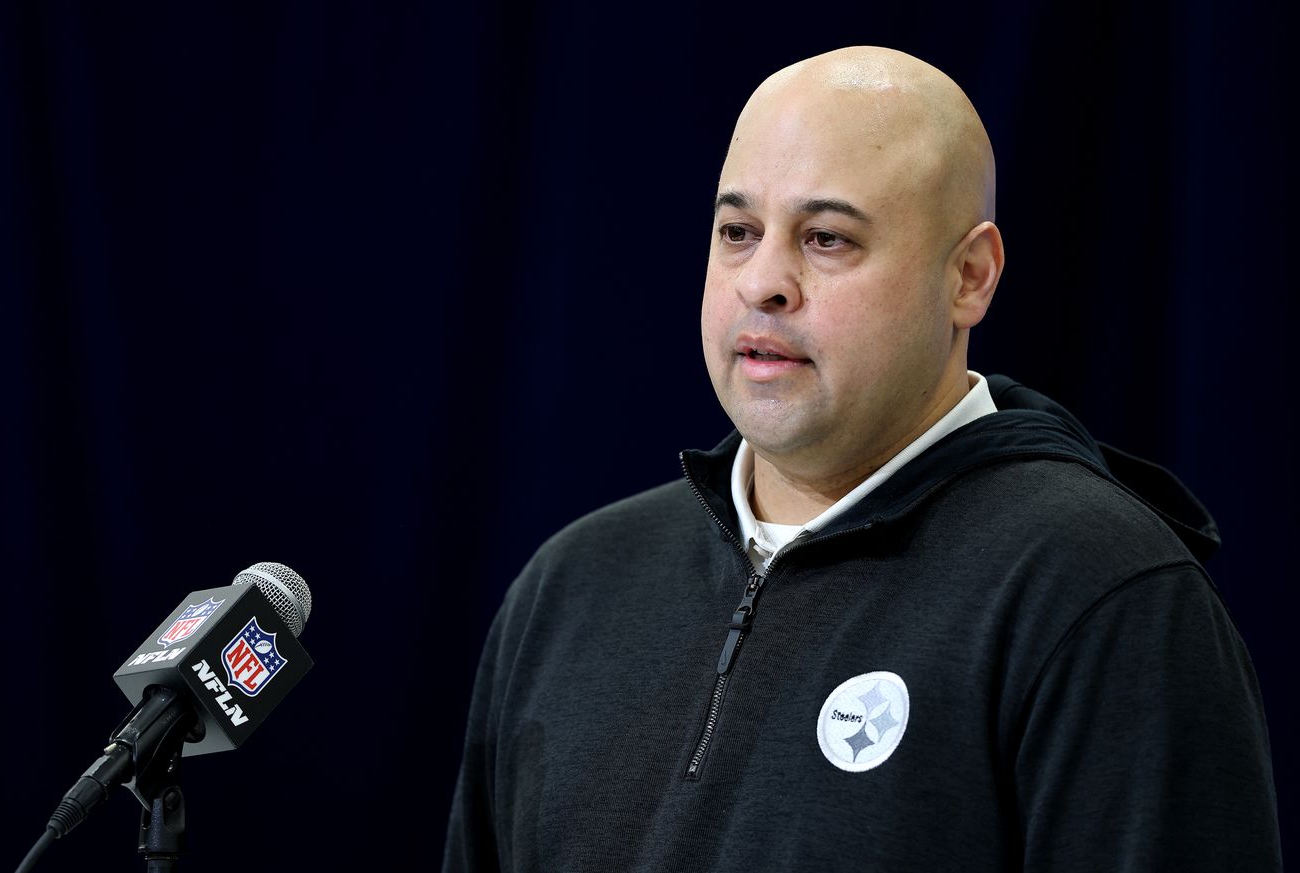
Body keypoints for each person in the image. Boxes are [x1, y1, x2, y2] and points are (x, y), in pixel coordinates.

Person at [443, 46, 1282, 871]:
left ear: (969, 276)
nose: (762, 281)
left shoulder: (1097, 589)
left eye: (827, 239)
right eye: (737, 230)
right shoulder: (573, 584)